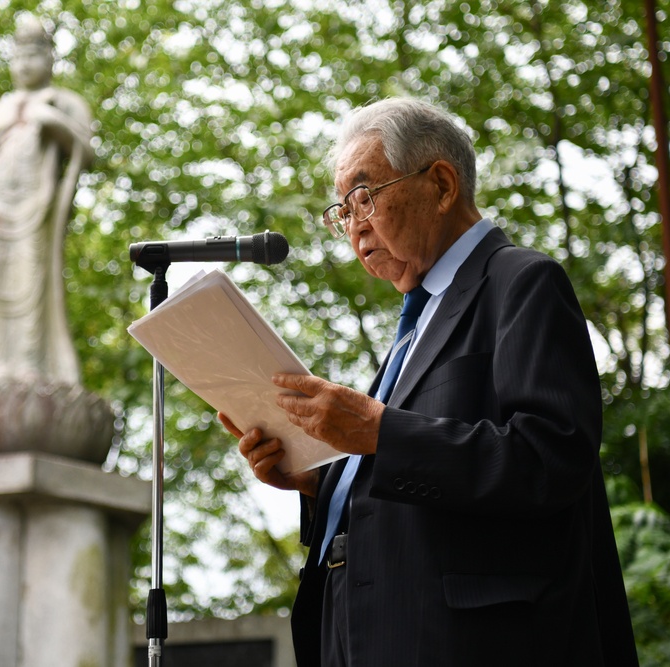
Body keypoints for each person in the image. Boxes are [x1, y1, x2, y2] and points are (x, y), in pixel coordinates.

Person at [219, 98, 638, 666]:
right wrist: (317, 483)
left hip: (469, 643)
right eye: (342, 211)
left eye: (365, 197)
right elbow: (408, 472)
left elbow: (549, 459)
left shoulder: (521, 283)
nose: (354, 227)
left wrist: (377, 430)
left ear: (441, 184)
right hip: (362, 634)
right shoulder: (417, 321)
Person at [0, 17, 93, 385]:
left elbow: (86, 150)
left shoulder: (64, 102)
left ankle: (30, 364)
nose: (24, 64)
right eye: (18, 56)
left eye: (34, 55)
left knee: (30, 281)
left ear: (50, 58)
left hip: (36, 205)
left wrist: (54, 122)